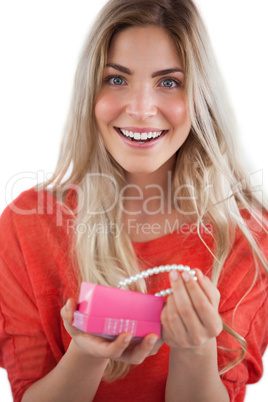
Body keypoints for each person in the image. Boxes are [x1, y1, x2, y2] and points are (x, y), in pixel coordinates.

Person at [0, 0, 267, 401]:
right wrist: (87, 355)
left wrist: (194, 350)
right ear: (90, 91)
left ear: (200, 98)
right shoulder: (26, 226)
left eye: (169, 82)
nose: (141, 110)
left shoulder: (250, 237)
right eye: (117, 80)